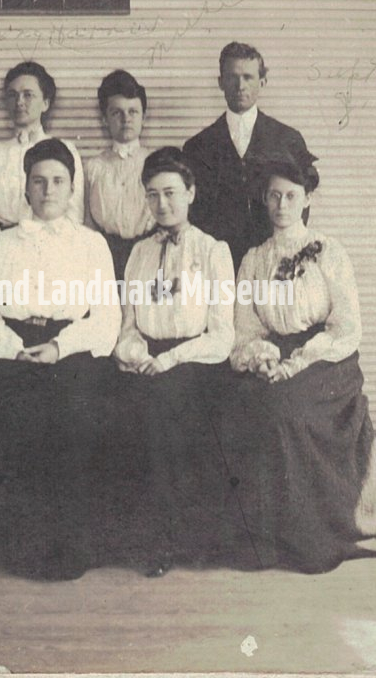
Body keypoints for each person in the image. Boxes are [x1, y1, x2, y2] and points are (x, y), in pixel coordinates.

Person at [225, 156, 376, 573]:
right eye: (273, 196)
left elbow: (346, 326)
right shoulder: (254, 259)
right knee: (244, 404)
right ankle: (265, 538)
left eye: (291, 196)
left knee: (285, 409)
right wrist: (262, 358)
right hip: (271, 354)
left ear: (307, 198)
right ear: (264, 200)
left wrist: (296, 363)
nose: (281, 205)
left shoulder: (328, 251)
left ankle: (310, 535)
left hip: (327, 357)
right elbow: (246, 326)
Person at [0, 138, 120, 579]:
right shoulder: (4, 245)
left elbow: (106, 317)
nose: (48, 190)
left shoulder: (91, 244)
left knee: (71, 415)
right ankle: (23, 548)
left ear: (72, 188)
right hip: (13, 346)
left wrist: (58, 347)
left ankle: (71, 547)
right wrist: (14, 349)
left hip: (71, 348)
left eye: (57, 181)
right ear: (26, 188)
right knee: (16, 416)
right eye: (39, 181)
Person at [114, 147, 236, 577]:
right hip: (146, 361)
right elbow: (127, 326)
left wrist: (169, 360)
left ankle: (180, 540)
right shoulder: (138, 254)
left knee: (163, 412)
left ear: (191, 193)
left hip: (195, 363)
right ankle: (138, 537)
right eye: (152, 194)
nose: (162, 204)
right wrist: (137, 354)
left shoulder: (212, 251)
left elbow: (222, 335)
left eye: (170, 193)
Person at [183, 42, 316, 270]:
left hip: (273, 264)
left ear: (262, 81)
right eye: (232, 77)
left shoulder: (288, 139)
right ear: (220, 82)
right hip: (216, 265)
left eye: (248, 77)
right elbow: (192, 212)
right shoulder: (196, 147)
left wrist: (285, 257)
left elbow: (300, 206)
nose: (240, 85)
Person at [0, 61, 84, 263]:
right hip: (5, 252)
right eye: (13, 95)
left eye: (28, 95)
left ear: (45, 103)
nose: (19, 102)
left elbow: (74, 212)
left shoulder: (65, 149)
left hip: (53, 252)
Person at [83, 70, 156, 279]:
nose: (126, 119)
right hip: (104, 256)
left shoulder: (155, 163)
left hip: (149, 253)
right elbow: (87, 221)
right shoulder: (94, 167)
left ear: (143, 117)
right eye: (117, 113)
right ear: (105, 119)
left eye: (133, 112)